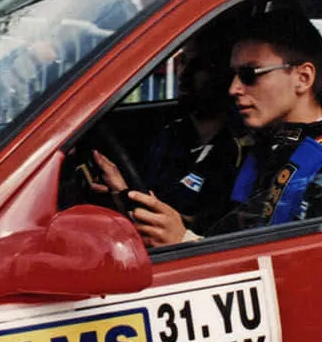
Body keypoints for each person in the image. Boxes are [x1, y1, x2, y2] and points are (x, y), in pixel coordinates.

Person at [118, 9, 322, 246]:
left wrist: (185, 241)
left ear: (303, 78)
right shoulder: (257, 146)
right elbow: (224, 228)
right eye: (233, 74)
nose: (234, 88)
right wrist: (129, 196)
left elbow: (320, 270)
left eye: (249, 74)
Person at [91, 25, 249, 233]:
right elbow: (151, 197)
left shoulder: (238, 151)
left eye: (199, 65)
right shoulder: (171, 134)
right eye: (183, 62)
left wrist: (126, 195)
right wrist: (121, 194)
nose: (185, 73)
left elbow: (208, 230)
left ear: (223, 73)